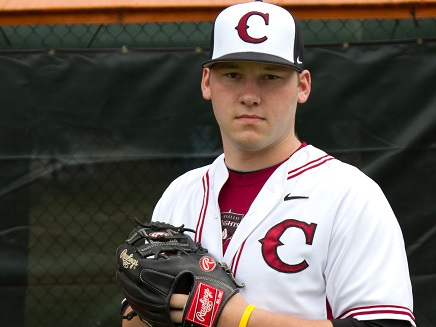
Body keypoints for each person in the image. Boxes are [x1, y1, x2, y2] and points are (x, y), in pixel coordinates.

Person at [121, 1, 415, 326]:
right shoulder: (181, 194)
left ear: (302, 86)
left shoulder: (350, 195)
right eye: (232, 75)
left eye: (270, 76)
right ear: (207, 82)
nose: (250, 95)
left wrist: (237, 317)